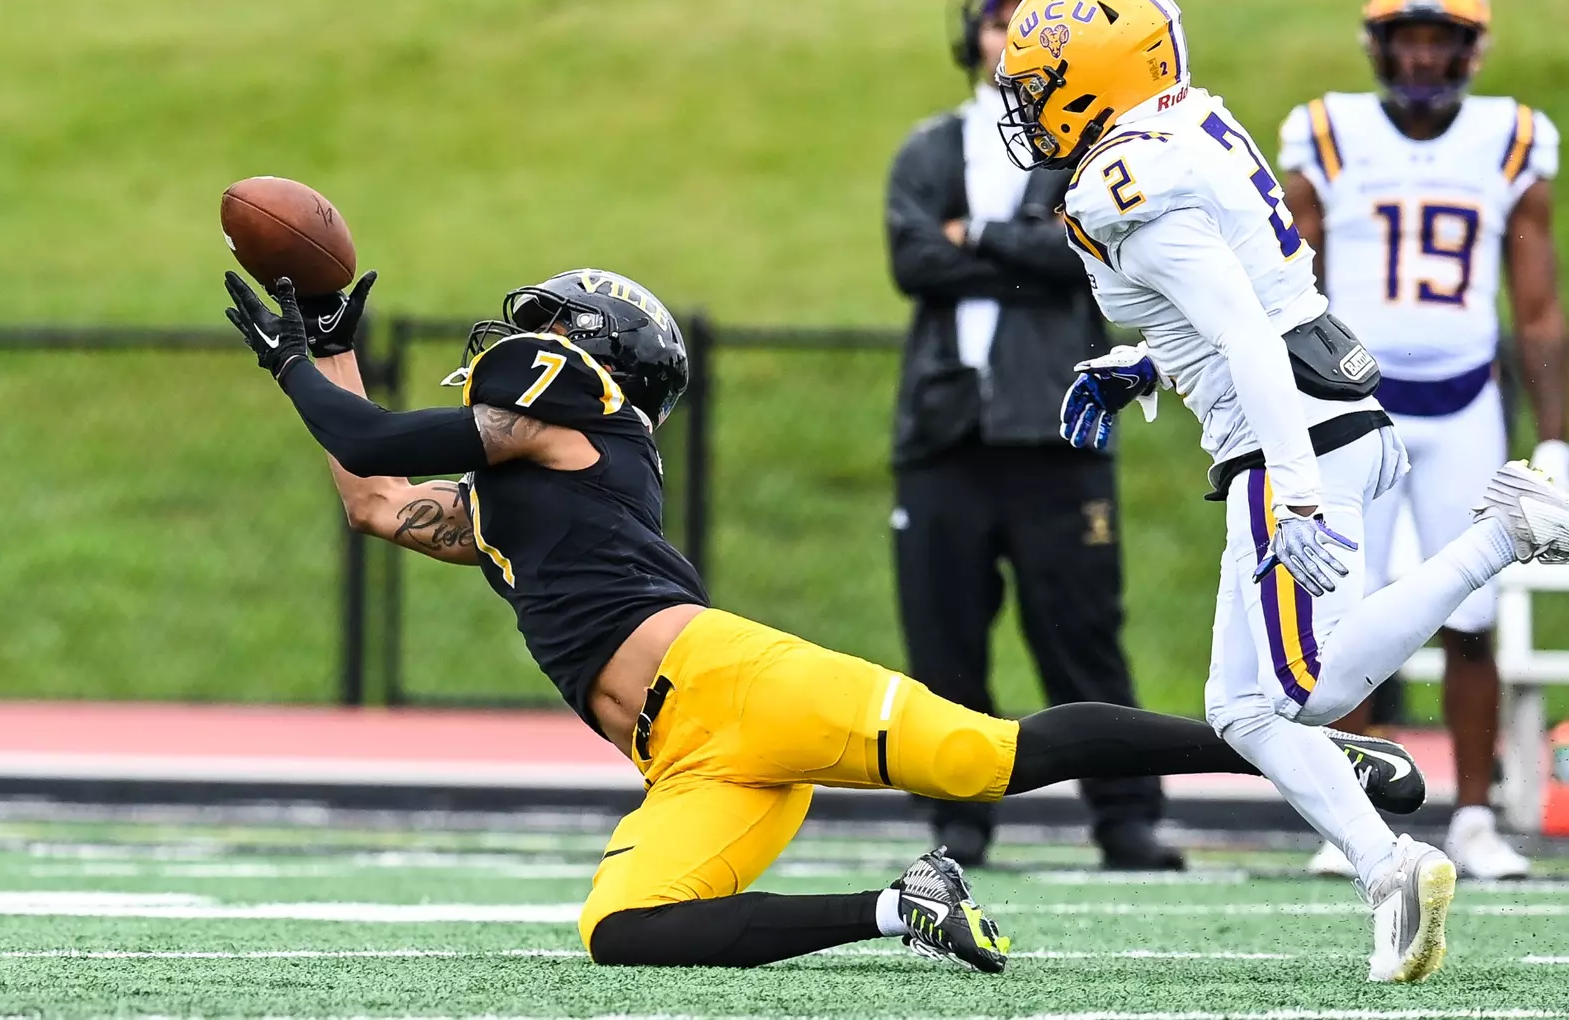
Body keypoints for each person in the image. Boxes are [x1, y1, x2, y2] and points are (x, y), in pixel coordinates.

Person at [221, 266, 1426, 973]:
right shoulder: (519, 478)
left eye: (546, 321)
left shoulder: (573, 400)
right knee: (623, 928)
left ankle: (1277, 744)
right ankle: (901, 906)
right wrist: (330, 344)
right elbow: (374, 495)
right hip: (684, 752)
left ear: (591, 353)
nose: (520, 338)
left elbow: (369, 435)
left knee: (991, 755)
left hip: (730, 677)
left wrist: (300, 368)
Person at [996, 0, 1569, 982]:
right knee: (1242, 709)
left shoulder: (1123, 179)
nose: (1027, 108)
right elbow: (1243, 297)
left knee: (1308, 687)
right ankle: (1392, 868)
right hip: (1313, 414)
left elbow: (1246, 330)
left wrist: (1295, 486)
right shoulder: (1183, 128)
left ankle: (1506, 532)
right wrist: (1145, 366)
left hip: (1290, 436)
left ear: (1092, 78)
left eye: (1039, 86)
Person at [1277, 0, 1563, 882]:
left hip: (1465, 401)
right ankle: (1348, 818)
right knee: (1342, 615)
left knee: (1472, 615)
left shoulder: (1514, 138)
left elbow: (1537, 308)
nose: (1425, 59)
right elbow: (1288, 287)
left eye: (1442, 41)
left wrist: (1555, 435)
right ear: (1379, 45)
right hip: (1355, 406)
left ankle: (1474, 816)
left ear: (1471, 51)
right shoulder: (1326, 132)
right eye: (1409, 40)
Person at [887, 0, 1175, 870]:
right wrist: (1022, 251)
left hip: (1057, 431)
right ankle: (958, 816)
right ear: (971, 39)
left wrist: (977, 238)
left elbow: (1081, 254)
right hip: (945, 433)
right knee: (944, 641)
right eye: (997, 20)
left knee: (1081, 634)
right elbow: (912, 260)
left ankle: (1124, 815)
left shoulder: (1091, 148)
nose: (1009, 36)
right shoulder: (929, 147)